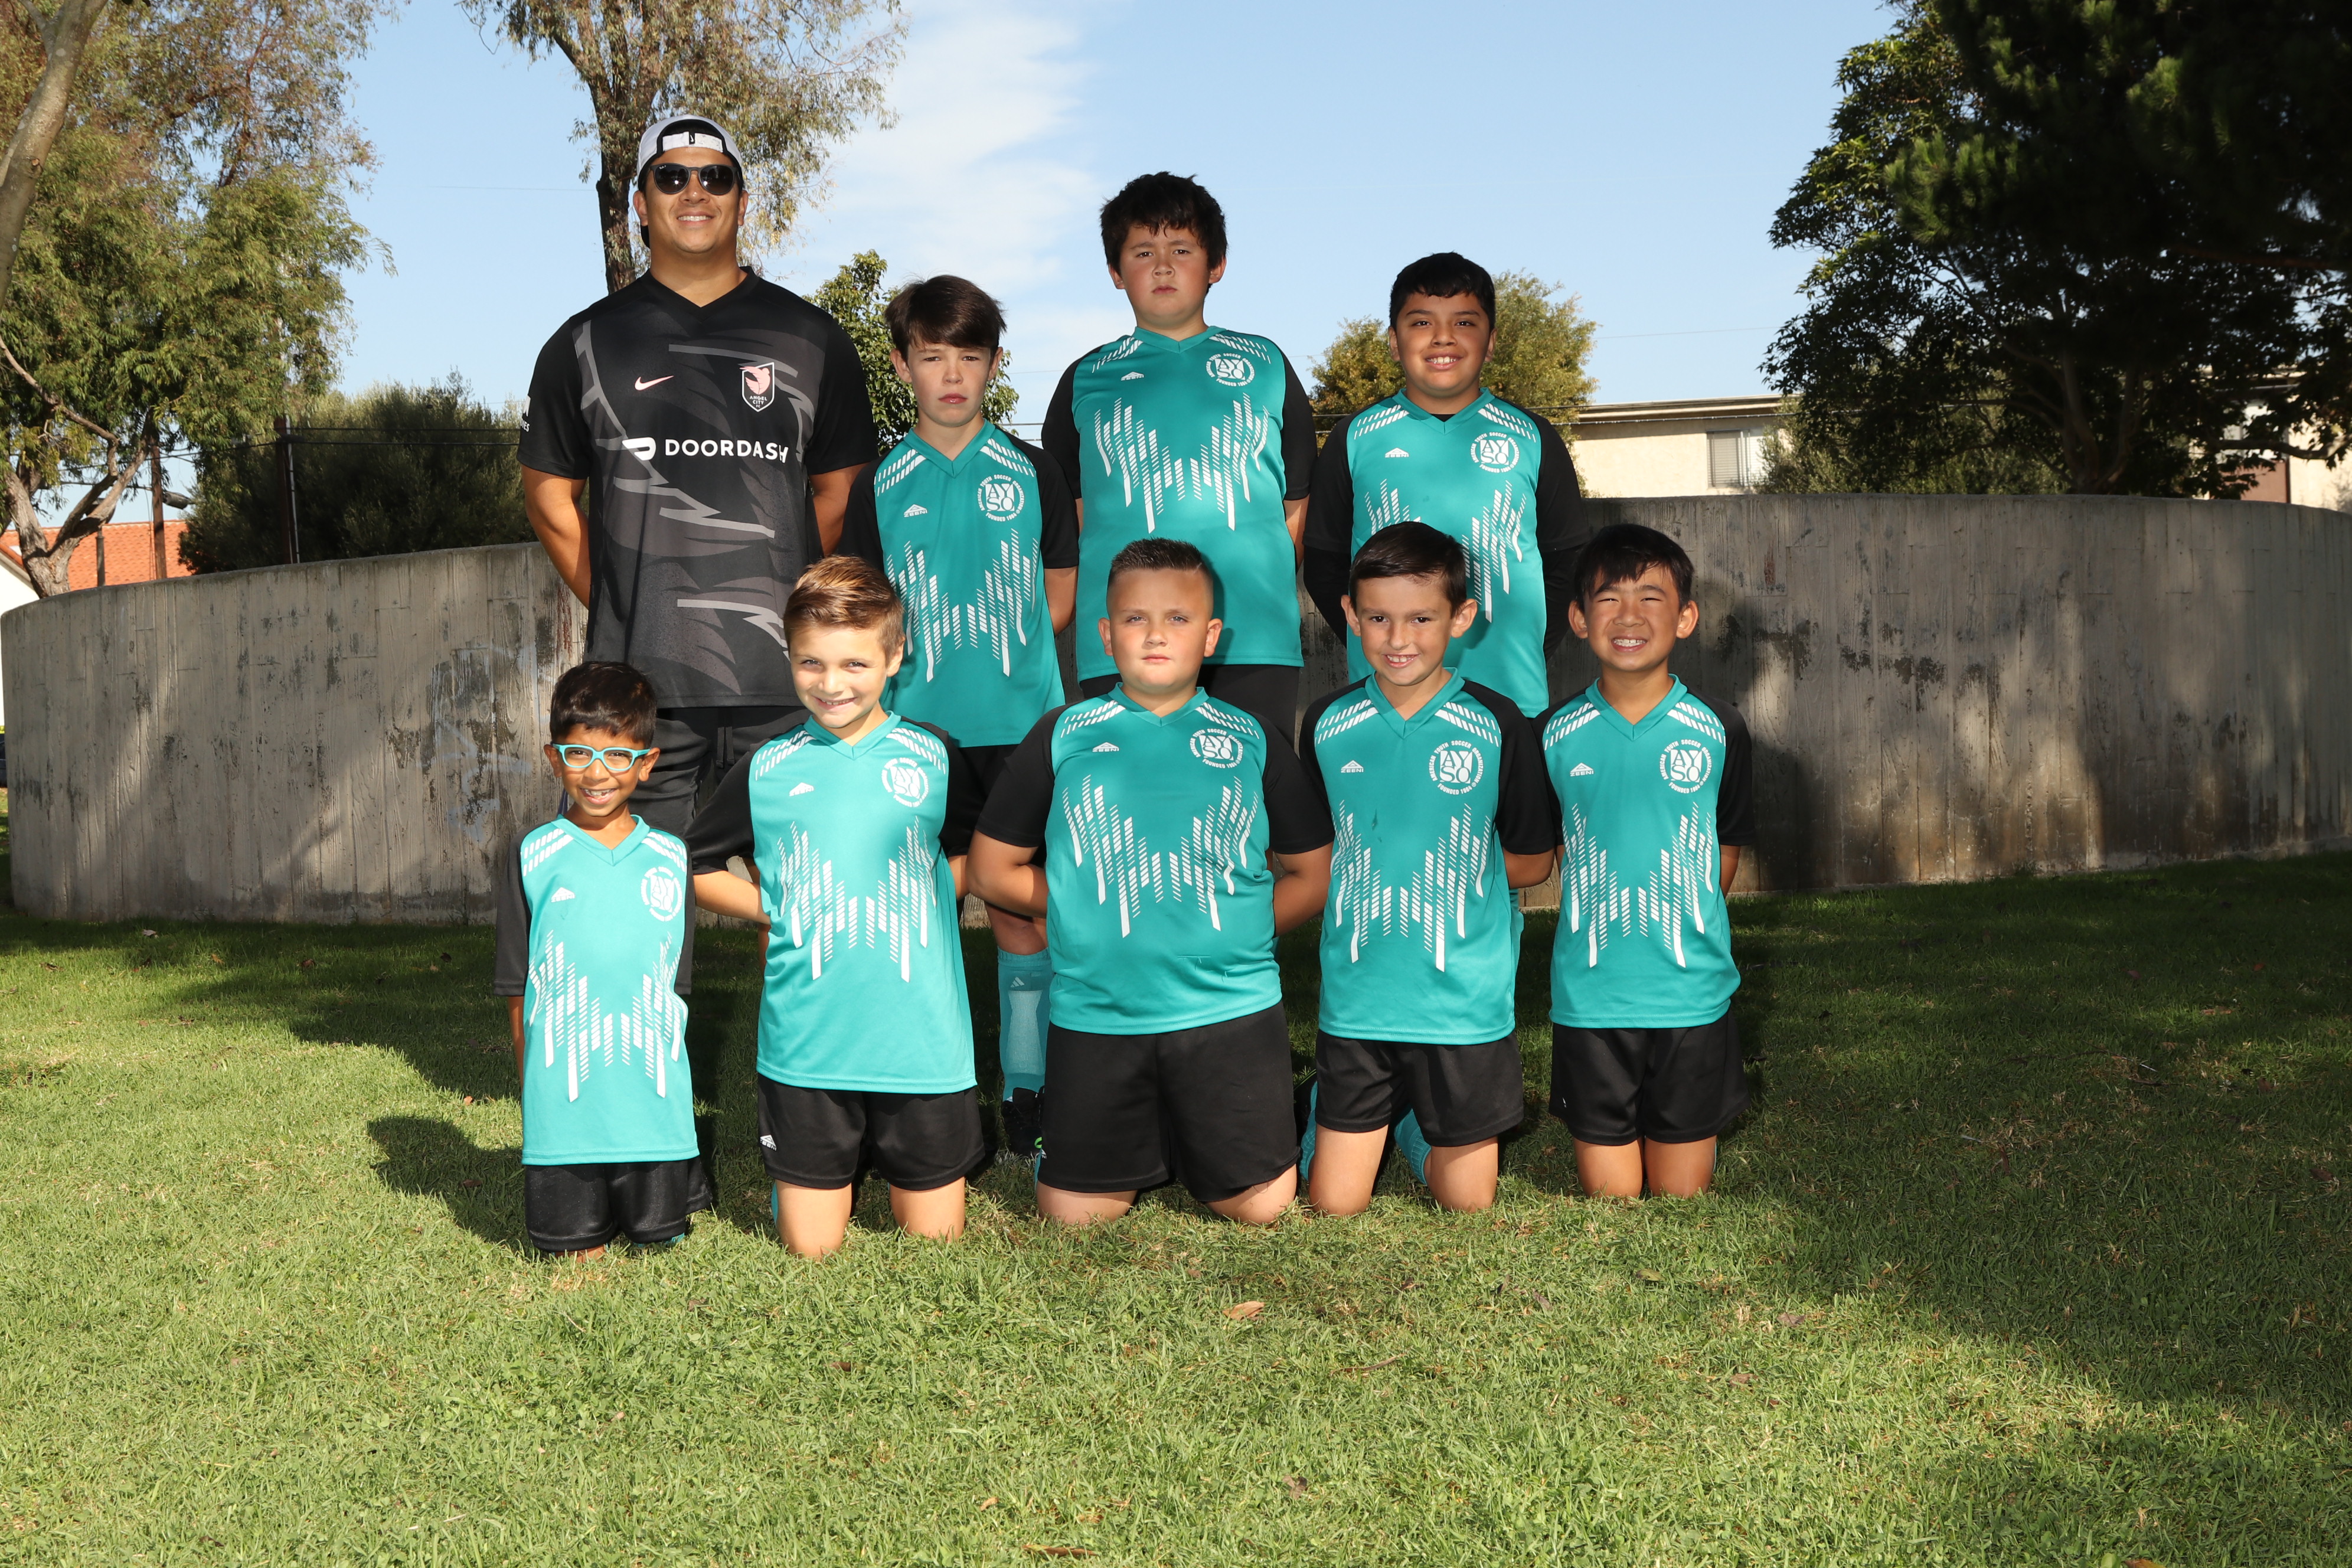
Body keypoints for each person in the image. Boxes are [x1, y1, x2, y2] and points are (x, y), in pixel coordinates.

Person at [519, 112, 878, 837]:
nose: (695, 192)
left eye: (716, 178)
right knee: (628, 882)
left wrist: (780, 592)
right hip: (637, 688)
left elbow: (841, 492)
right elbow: (549, 497)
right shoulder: (584, 342)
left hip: (790, 677)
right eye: (671, 177)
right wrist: (628, 602)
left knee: (801, 882)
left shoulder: (813, 338)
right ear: (640, 204)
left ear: (741, 202)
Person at [968, 538, 1333, 1225]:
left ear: (1211, 636)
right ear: (1106, 636)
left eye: (1178, 618)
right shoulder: (1063, 734)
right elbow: (992, 870)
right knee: (1074, 1218)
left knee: (1260, 1209)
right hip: (1098, 1016)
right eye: (1136, 619)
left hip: (1229, 1012)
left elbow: (1314, 874)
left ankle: (1295, 1106)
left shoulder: (1252, 738)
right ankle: (1144, 1126)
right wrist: (1076, 908)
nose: (1156, 635)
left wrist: (1243, 927)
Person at [836, 275, 1077, 1162]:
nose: (950, 375)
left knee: (1022, 916)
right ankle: (922, 1087)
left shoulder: (1033, 470)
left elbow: (1059, 592)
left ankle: (1028, 1092)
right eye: (932, 356)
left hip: (1023, 733)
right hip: (916, 739)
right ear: (902, 365)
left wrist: (1004, 658)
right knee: (920, 915)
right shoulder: (878, 483)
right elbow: (863, 615)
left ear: (994, 365)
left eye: (968, 357)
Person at [684, 557, 985, 1257]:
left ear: (895, 655)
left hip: (923, 1047)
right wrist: (775, 907)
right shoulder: (767, 766)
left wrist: (929, 894)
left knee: (937, 1239)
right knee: (811, 1249)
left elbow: (979, 850)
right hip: (807, 1050)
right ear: (789, 656)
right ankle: (800, 1175)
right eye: (811, 663)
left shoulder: (935, 755)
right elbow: (692, 865)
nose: (831, 683)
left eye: (854, 663)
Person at [1295, 524, 1559, 1215]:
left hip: (1461, 1006)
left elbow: (1532, 861)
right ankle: (1328, 1109)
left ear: (1461, 618)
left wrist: (1449, 876)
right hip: (1359, 1001)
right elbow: (1313, 858)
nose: (1398, 638)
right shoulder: (1325, 724)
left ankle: (1412, 1124)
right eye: (1378, 618)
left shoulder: (1499, 724)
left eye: (1421, 618)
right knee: (1334, 1205)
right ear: (1350, 615)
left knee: (1467, 1204)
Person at [1041, 172, 1318, 747]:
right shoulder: (1085, 380)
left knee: (1254, 793)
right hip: (1127, 645)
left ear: (1216, 265)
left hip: (1252, 639)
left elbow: (1295, 509)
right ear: (1116, 272)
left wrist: (1246, 580)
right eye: (1144, 252)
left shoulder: (1265, 364)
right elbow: (1077, 520)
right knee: (1133, 795)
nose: (1163, 267)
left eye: (1182, 250)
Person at [1541, 524, 1755, 1198]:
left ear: (1686, 617)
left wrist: (1680, 921)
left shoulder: (1721, 728)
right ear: (1579, 619)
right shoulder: (1551, 734)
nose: (1629, 616)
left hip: (1690, 995)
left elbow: (1725, 850)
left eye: (1651, 598)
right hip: (1591, 998)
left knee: (1681, 1196)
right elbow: (1556, 849)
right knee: (1612, 1198)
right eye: (1608, 598)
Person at [1304, 252, 1588, 721]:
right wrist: (1375, 642)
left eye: (1464, 322)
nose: (1443, 337)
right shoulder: (1354, 438)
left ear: (1490, 342)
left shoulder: (1533, 437)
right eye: (1421, 322)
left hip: (1512, 699)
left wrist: (1526, 647)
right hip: (1389, 702)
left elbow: (1570, 562)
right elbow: (1324, 563)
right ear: (1394, 342)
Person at [492, 661, 711, 1257]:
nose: (597, 773)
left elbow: (677, 985)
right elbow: (516, 985)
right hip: (564, 1099)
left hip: (653, 1098)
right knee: (575, 1257)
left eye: (617, 756)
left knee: (659, 1248)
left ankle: (655, 1189)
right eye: (579, 754)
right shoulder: (531, 853)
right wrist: (533, 1087)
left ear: (647, 762)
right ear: (553, 757)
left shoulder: (671, 856)